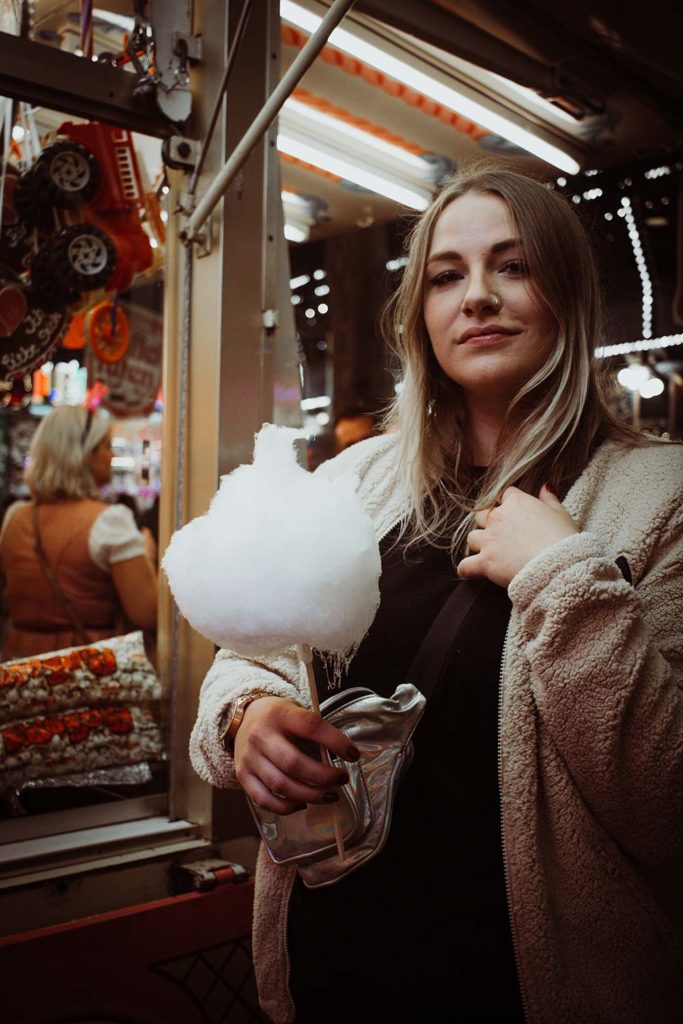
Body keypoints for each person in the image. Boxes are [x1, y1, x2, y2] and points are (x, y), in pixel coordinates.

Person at [188, 165, 683, 1024]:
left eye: (513, 266)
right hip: (333, 971)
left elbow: (668, 806)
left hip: (530, 987)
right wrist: (248, 721)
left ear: (569, 291)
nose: (477, 297)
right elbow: (248, 660)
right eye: (446, 276)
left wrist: (563, 578)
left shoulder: (660, 496)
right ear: (419, 312)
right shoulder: (353, 482)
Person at [0, 405, 157, 658]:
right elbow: (147, 612)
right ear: (84, 454)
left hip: (20, 669)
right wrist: (148, 555)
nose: (111, 457)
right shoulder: (110, 521)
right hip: (86, 669)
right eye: (106, 447)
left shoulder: (14, 517)